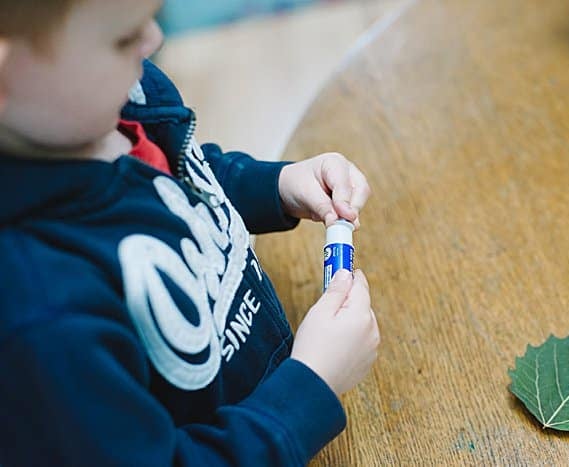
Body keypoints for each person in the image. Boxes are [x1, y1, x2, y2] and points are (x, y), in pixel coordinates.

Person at [0, 0, 379, 465]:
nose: (154, 40)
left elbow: (176, 182)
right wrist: (308, 387)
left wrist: (275, 186)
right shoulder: (43, 318)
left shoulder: (111, 106)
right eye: (124, 36)